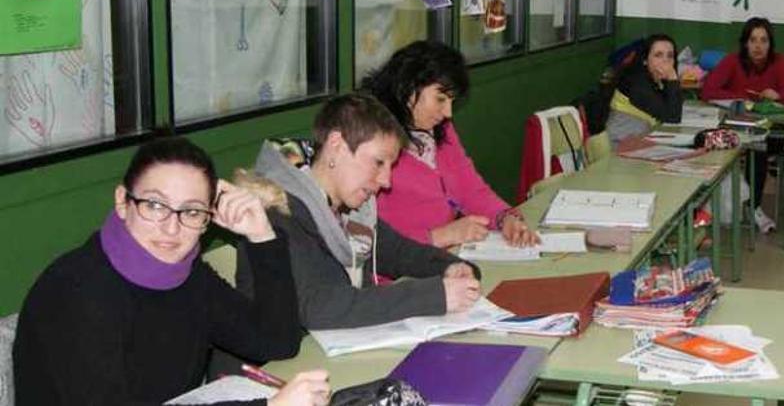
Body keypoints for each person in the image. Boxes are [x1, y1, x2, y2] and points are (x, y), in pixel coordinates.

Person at [14, 137, 330, 405]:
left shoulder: (189, 277)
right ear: (123, 201)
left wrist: (261, 235)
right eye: (154, 205)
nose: (171, 227)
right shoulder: (76, 293)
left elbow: (277, 341)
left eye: (191, 211)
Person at [243, 93, 482, 330]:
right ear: (336, 145)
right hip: (290, 363)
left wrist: (449, 267)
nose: (386, 181)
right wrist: (433, 296)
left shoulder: (348, 207)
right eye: (378, 162)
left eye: (390, 166)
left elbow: (397, 251)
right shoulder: (278, 213)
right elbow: (319, 307)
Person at [361, 40, 538, 249]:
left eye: (451, 102)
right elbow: (365, 241)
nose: (448, 113)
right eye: (440, 99)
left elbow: (470, 189)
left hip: (442, 257)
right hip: (396, 275)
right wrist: (439, 237)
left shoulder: (440, 130)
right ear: (409, 87)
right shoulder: (368, 137)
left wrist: (504, 218)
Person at [700, 17, 784, 231]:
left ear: (770, 44)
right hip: (735, 129)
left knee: (759, 147)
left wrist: (778, 95)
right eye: (753, 40)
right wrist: (743, 97)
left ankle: (753, 207)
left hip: (767, 132)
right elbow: (707, 91)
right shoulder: (732, 61)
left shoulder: (779, 62)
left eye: (764, 40)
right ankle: (714, 207)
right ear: (745, 43)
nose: (758, 46)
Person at [606, 33, 684, 144]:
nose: (665, 61)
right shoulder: (636, 83)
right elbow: (672, 117)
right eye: (658, 55)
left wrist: (670, 81)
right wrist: (672, 78)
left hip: (640, 139)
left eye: (670, 56)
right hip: (619, 146)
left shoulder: (656, 79)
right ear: (645, 60)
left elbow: (672, 108)